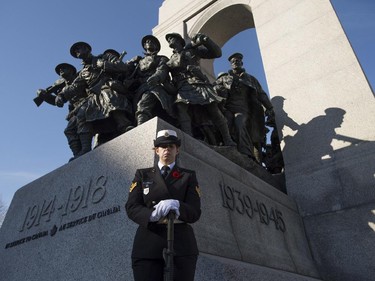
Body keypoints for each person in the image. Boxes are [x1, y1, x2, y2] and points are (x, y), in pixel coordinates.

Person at [126, 129, 201, 281]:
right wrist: (152, 214)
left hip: (181, 243)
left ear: (177, 150)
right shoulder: (142, 175)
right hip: (148, 242)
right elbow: (131, 206)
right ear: (156, 150)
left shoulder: (188, 176)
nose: (167, 149)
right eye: (162, 146)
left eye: (171, 146)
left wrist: (177, 205)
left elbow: (194, 212)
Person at [59, 42, 133, 154]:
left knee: (108, 95)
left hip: (111, 87)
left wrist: (104, 64)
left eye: (79, 48)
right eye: (75, 51)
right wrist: (62, 95)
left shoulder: (105, 57)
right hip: (94, 96)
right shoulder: (83, 72)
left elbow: (123, 67)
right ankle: (85, 148)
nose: (77, 52)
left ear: (87, 49)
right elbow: (75, 87)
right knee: (81, 114)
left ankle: (124, 125)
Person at [165, 32, 235, 146]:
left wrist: (206, 40)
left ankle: (228, 139)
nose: (169, 40)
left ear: (179, 40)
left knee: (213, 110)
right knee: (181, 107)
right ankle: (188, 137)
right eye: (168, 39)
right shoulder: (170, 60)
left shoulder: (193, 50)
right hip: (183, 86)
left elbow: (217, 53)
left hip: (199, 83)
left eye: (171, 38)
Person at [217, 52, 274, 163]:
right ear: (230, 64)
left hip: (244, 110)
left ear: (241, 63)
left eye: (237, 61)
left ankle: (245, 153)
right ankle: (226, 146)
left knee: (240, 123)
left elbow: (261, 94)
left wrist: (269, 107)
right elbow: (215, 88)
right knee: (225, 122)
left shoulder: (250, 79)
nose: (235, 63)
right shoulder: (226, 78)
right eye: (233, 61)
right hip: (228, 108)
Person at [36, 63, 89, 161]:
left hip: (88, 103)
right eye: (59, 70)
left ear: (71, 70)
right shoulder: (62, 85)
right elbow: (57, 102)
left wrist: (60, 95)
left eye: (64, 68)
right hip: (75, 109)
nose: (61, 70)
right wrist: (44, 95)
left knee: (82, 119)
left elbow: (69, 92)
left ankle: (86, 149)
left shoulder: (81, 77)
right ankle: (78, 154)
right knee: (69, 130)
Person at [125, 35, 177, 126]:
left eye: (151, 41)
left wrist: (156, 77)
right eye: (146, 42)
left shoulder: (162, 58)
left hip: (154, 87)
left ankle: (140, 129)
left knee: (143, 105)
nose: (148, 42)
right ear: (144, 46)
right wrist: (131, 62)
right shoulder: (139, 62)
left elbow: (162, 70)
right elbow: (129, 75)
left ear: (156, 46)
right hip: (140, 89)